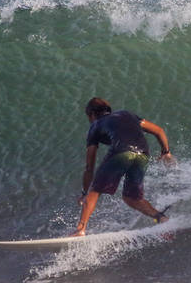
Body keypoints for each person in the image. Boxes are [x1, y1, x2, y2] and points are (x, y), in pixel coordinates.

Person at [71, 97, 175, 236]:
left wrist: (85, 193)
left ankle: (80, 229)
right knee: (131, 198)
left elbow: (89, 166)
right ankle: (161, 218)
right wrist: (166, 152)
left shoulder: (95, 126)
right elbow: (159, 130)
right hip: (142, 154)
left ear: (92, 114)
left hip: (121, 153)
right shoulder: (127, 114)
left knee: (94, 190)